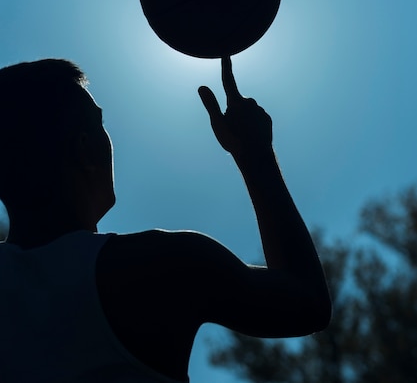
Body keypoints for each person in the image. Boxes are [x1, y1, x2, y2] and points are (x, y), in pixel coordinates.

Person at [0, 57, 331, 383]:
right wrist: (255, 154)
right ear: (83, 150)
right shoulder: (155, 266)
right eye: (99, 124)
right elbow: (307, 301)